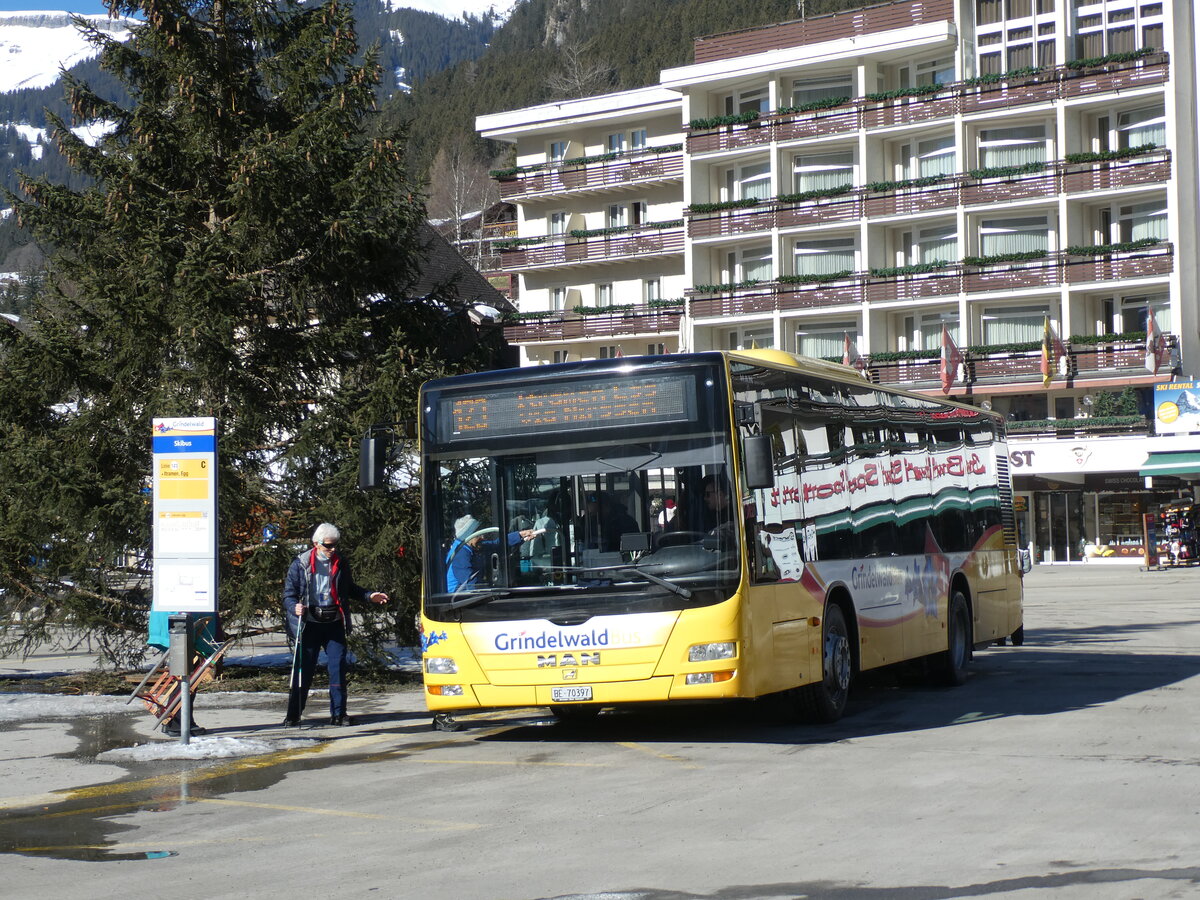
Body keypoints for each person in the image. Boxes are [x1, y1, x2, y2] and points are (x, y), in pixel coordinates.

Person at [282, 523, 388, 727]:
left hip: (333, 623)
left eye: (335, 545)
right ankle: (293, 715)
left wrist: (369, 596)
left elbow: (349, 588)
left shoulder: (340, 562)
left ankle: (339, 714)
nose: (332, 550)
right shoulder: (301, 563)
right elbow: (288, 594)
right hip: (309, 625)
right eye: (328, 546)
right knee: (304, 670)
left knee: (338, 667)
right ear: (316, 543)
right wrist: (294, 606)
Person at [446, 515, 535, 592]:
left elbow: (497, 544)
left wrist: (520, 535)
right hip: (459, 600)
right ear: (468, 536)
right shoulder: (460, 554)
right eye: (478, 535)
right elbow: (472, 585)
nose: (483, 537)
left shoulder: (471, 546)